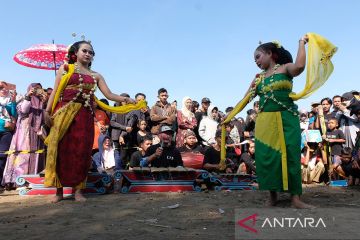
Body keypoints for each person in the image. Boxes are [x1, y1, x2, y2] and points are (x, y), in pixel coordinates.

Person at [222, 34, 336, 208]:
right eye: (254, 60)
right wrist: (229, 117)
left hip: (287, 118)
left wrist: (301, 43)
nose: (256, 62)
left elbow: (299, 66)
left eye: (258, 57)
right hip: (265, 123)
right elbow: (245, 99)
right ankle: (272, 196)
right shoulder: (258, 78)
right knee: (268, 158)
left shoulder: (285, 69)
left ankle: (295, 199)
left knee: (291, 155)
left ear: (270, 53)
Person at [44, 40, 138, 203]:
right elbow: (54, 92)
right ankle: (59, 191)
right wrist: (47, 111)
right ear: (76, 52)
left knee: (81, 152)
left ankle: (79, 190)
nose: (88, 54)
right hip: (63, 115)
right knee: (61, 151)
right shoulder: (65, 68)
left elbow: (109, 95)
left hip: (85, 117)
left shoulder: (96, 76)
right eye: (85, 51)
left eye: (91, 52)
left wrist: (126, 99)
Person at [2, 83, 47, 190]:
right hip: (24, 133)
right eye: (34, 89)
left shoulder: (42, 102)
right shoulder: (24, 100)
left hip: (37, 133)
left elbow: (46, 115)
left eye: (39, 89)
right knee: (23, 156)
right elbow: (23, 111)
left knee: (36, 155)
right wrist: (28, 96)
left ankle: (34, 180)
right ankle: (20, 182)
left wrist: (46, 102)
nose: (36, 91)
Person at [0, 81, 17, 187]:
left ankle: (1, 182)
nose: (4, 90)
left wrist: (14, 102)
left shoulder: (9, 102)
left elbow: (14, 114)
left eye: (5, 88)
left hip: (6, 132)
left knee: (2, 156)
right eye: (1, 88)